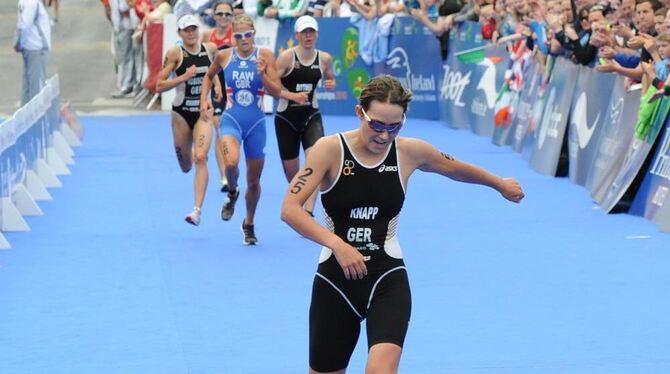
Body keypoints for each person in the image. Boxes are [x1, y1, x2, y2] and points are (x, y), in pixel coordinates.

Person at [280, 75, 525, 373]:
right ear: (360, 113)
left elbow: (454, 167)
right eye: (377, 125)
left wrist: (499, 183)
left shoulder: (409, 152)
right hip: (336, 280)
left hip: (387, 276)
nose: (384, 136)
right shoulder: (328, 150)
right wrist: (337, 244)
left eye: (394, 126)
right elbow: (290, 210)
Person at [200, 14, 309, 245]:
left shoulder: (265, 56)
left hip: (257, 124)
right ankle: (231, 193)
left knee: (253, 182)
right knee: (230, 163)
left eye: (247, 35)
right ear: (234, 37)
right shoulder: (224, 55)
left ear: (254, 35)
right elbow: (208, 77)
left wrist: (261, 74)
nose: (243, 39)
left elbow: (276, 90)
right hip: (231, 119)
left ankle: (248, 223)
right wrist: (204, 101)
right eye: (238, 36)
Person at [156, 14, 222, 226]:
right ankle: (188, 156)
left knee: (200, 157)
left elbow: (216, 69)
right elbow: (159, 85)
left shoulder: (209, 49)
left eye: (194, 28)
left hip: (204, 113)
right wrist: (184, 77)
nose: (191, 33)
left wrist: (218, 87)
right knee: (186, 165)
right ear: (180, 33)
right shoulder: (176, 53)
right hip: (181, 113)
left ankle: (197, 211)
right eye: (187, 30)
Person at [274, 15, 336, 216]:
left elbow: (330, 77)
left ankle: (308, 211)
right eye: (304, 32)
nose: (308, 36)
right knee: (293, 175)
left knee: (316, 161)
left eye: (311, 32)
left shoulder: (325, 58)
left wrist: (330, 83)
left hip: (311, 116)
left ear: (317, 34)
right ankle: (299, 204)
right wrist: (292, 95)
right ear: (297, 35)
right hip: (286, 118)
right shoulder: (286, 58)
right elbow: (270, 87)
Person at [202, 0, 235, 193]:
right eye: (220, 14)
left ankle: (233, 169)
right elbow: (205, 66)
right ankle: (224, 177)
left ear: (232, 17)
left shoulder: (237, 36)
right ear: (214, 16)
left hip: (234, 87)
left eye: (227, 14)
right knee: (220, 129)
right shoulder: (207, 36)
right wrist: (212, 87)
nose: (223, 17)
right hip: (217, 88)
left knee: (232, 133)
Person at [15, 0, 52, 106]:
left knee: (28, 83)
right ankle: (35, 116)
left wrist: (21, 43)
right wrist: (20, 43)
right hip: (36, 48)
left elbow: (21, 24)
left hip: (31, 47)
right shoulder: (32, 3)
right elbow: (25, 25)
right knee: (37, 84)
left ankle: (25, 115)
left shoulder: (26, 2)